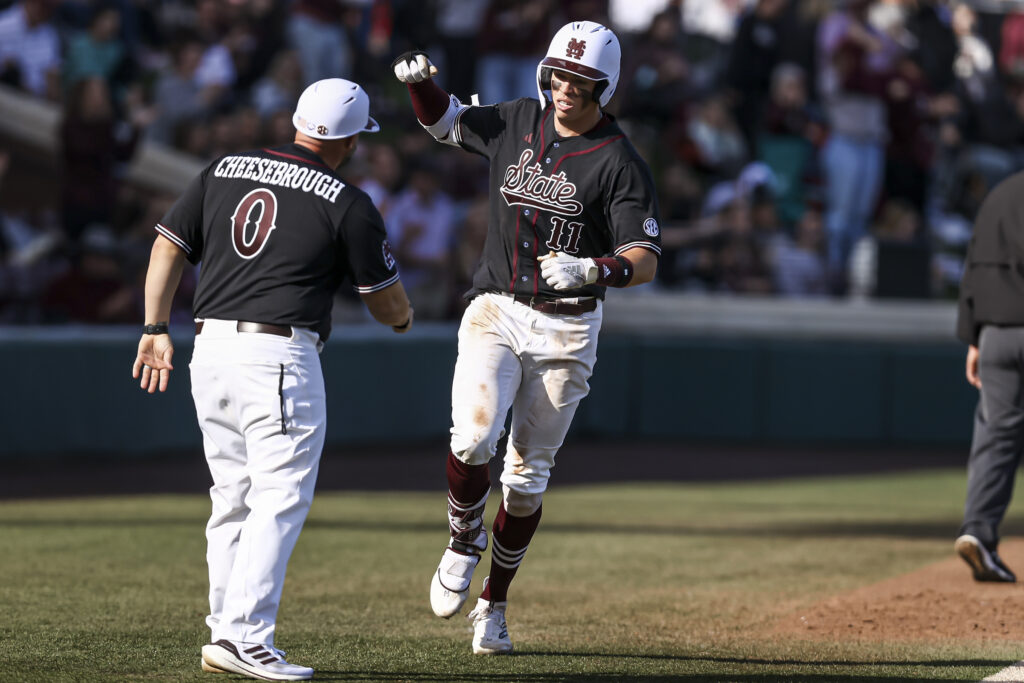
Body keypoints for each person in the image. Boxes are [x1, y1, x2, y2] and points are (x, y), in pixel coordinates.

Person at [393, 20, 662, 655]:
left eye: (583, 80)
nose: (567, 88)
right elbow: (448, 124)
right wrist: (424, 87)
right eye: (561, 74)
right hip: (497, 306)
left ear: (606, 86)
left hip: (568, 325)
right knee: (474, 434)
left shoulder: (619, 161)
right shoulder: (518, 119)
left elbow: (644, 257)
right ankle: (463, 535)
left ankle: (494, 604)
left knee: (526, 478)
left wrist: (597, 268)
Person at [131, 78, 413, 681]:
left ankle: (223, 629)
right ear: (354, 140)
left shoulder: (224, 167)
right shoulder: (348, 201)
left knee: (232, 497)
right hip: (277, 355)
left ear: (297, 122)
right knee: (279, 498)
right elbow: (388, 306)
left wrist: (155, 325)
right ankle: (246, 637)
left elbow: (166, 247)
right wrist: (405, 317)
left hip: (209, 348)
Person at [953, 170, 1024, 585]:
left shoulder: (997, 196)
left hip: (995, 333)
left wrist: (974, 337)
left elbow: (973, 271)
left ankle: (978, 531)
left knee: (996, 436)